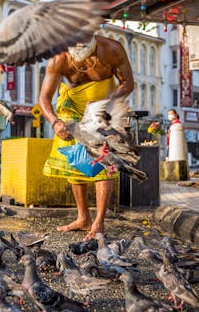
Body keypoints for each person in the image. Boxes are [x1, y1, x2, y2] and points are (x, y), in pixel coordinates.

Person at [39, 35, 134, 240]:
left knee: (102, 164)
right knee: (75, 161)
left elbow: (128, 83)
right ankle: (83, 218)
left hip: (103, 107)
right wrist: (55, 122)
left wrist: (107, 104)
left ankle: (99, 222)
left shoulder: (112, 49)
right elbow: (44, 98)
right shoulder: (58, 57)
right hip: (71, 106)